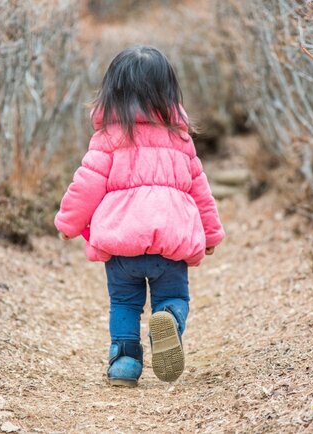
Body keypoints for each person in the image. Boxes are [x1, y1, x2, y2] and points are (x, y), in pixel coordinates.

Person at [55, 45, 225, 387]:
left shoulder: (107, 139)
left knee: (124, 303)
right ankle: (168, 318)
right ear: (167, 93)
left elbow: (86, 184)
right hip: (170, 242)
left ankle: (124, 362)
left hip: (122, 246)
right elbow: (199, 189)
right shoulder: (180, 139)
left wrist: (68, 223)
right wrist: (210, 234)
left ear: (111, 93)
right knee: (174, 297)